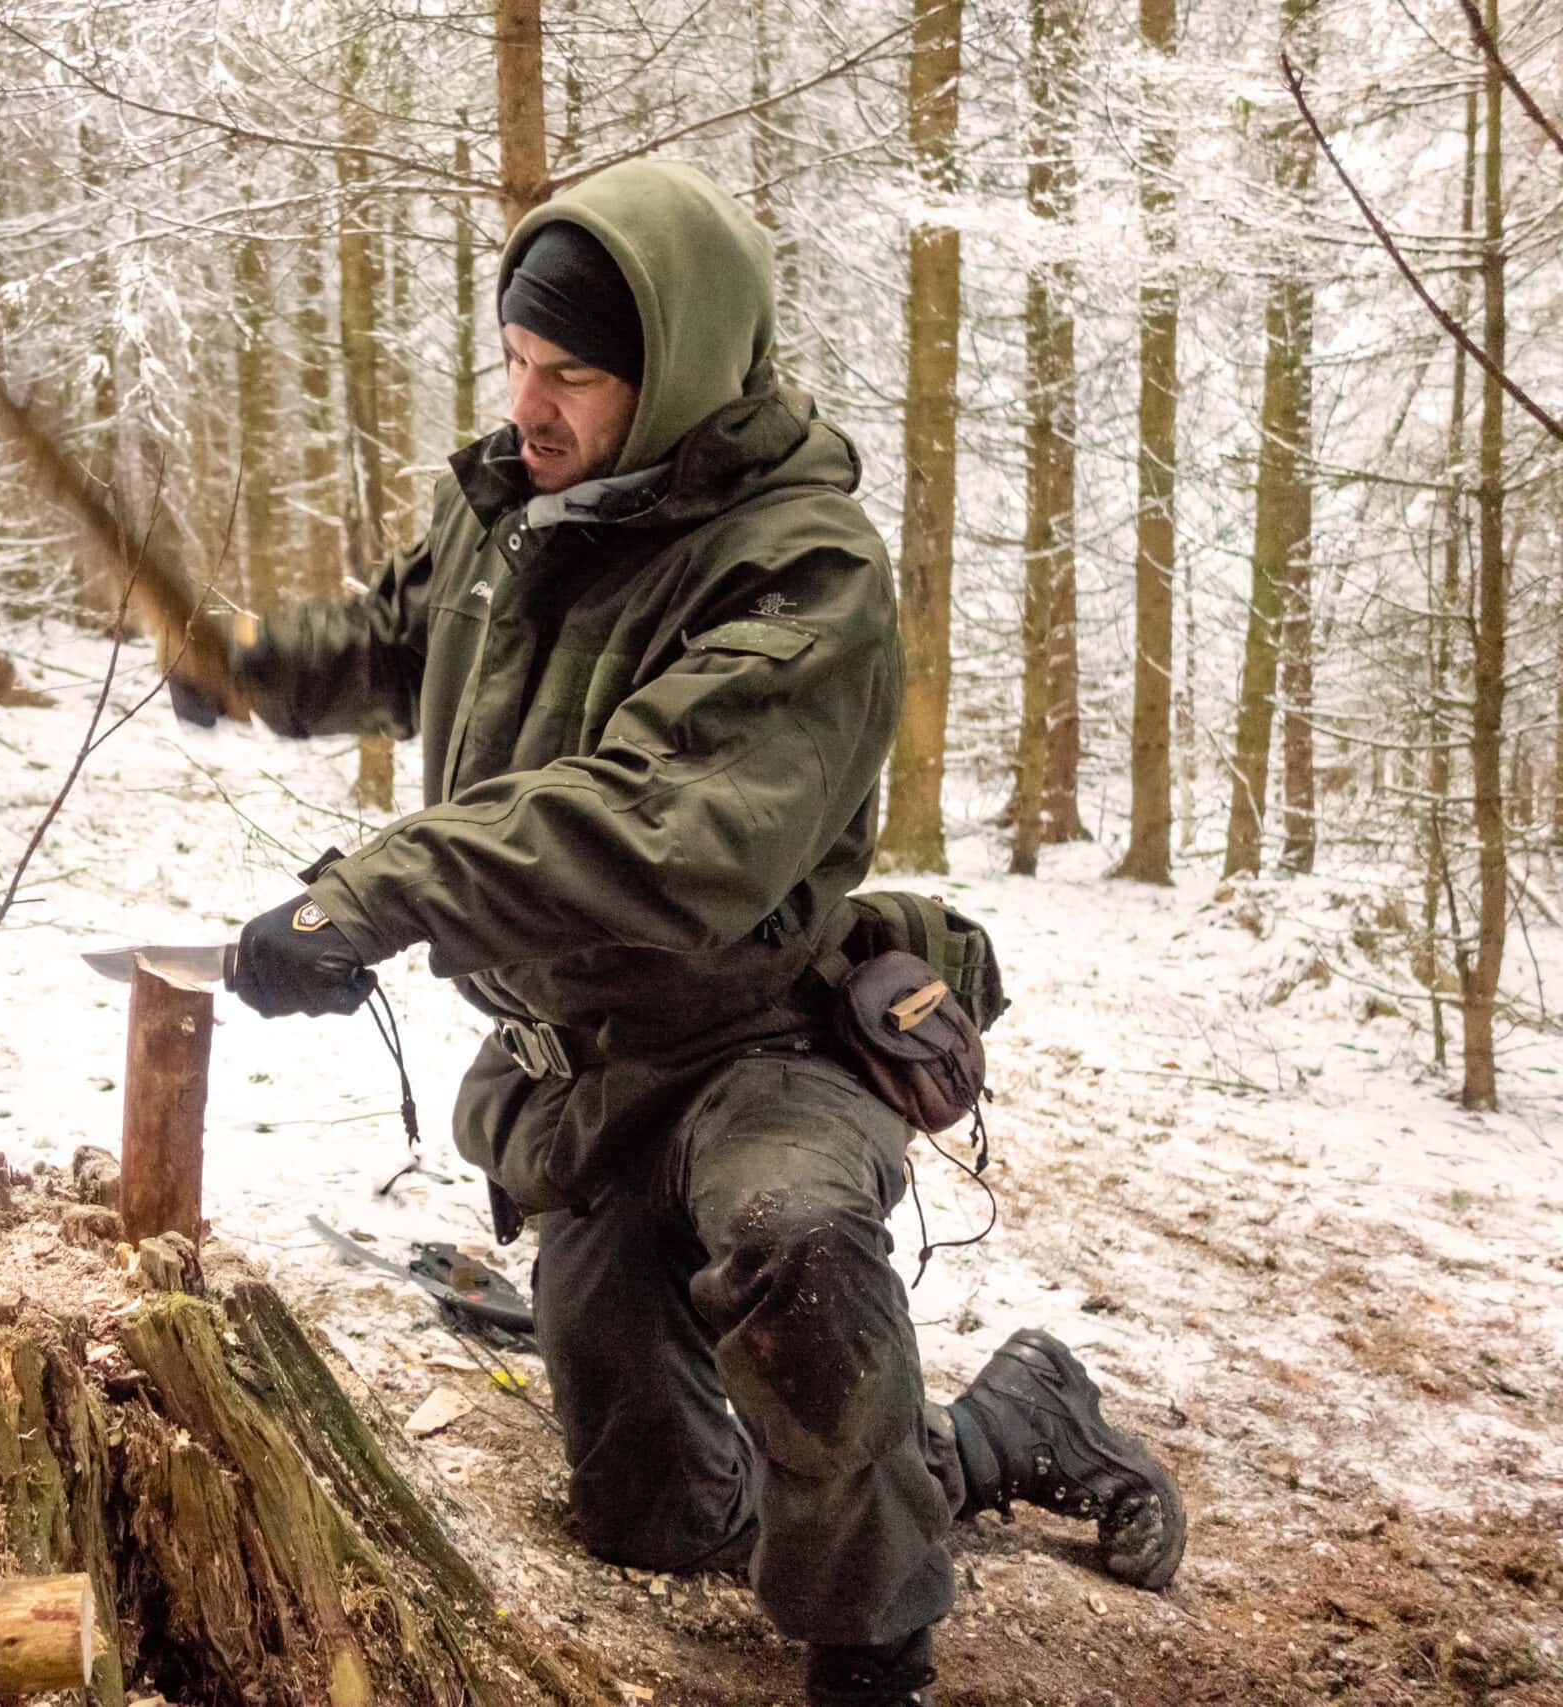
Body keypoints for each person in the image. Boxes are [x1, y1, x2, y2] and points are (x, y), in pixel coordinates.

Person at [174, 158, 1186, 1707]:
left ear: (682, 368)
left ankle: (874, 1652)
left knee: (793, 1243)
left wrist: (376, 891)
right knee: (657, 1518)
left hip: (755, 1039)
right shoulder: (520, 506)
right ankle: (1009, 1426)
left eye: (572, 373)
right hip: (588, 1072)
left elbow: (652, 828)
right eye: (516, 360)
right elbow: (408, 636)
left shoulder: (804, 573)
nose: (530, 405)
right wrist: (258, 663)